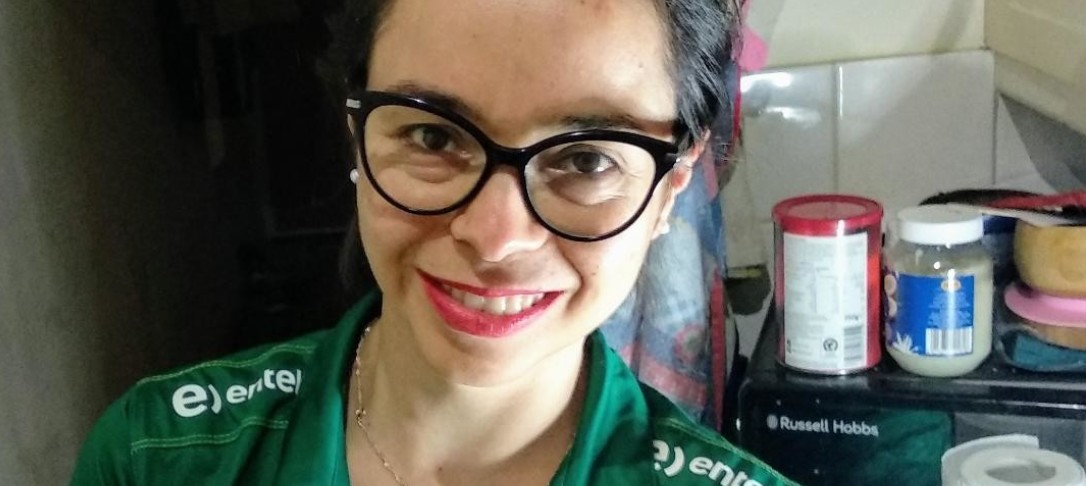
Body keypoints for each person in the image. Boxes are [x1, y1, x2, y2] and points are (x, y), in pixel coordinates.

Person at [72, 0, 797, 484]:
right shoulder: (155, 455)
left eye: (585, 160)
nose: (494, 238)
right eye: (432, 137)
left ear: (671, 188)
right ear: (358, 139)